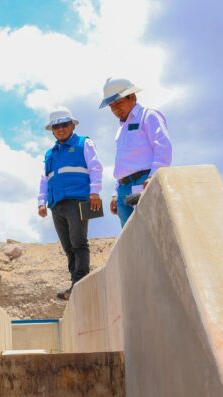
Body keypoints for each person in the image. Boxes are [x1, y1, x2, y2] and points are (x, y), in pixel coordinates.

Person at [37, 107, 103, 300]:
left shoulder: (85, 143)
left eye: (64, 125)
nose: (60, 129)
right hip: (57, 203)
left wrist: (95, 192)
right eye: (56, 126)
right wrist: (41, 202)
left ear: (73, 125)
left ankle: (79, 282)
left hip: (80, 199)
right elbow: (44, 179)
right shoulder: (50, 154)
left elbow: (95, 167)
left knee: (79, 242)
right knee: (68, 246)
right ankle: (75, 282)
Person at [99, 78, 173, 227]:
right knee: (130, 238)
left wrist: (153, 176)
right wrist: (115, 193)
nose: (115, 109)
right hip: (123, 189)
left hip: (143, 182)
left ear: (132, 97)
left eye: (118, 103)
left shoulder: (148, 116)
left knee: (149, 230)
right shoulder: (121, 129)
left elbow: (163, 146)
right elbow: (122, 162)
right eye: (111, 106)